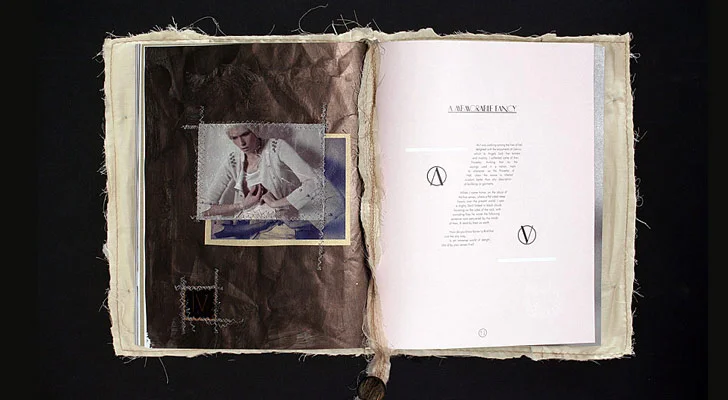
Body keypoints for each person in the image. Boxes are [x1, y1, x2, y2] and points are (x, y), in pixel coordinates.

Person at [201, 124, 344, 237]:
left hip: (284, 221)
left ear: (255, 130)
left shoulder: (276, 148)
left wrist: (276, 203)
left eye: (245, 134)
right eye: (234, 138)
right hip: (251, 223)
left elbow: (313, 182)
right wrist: (241, 205)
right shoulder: (233, 161)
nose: (241, 143)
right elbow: (205, 208)